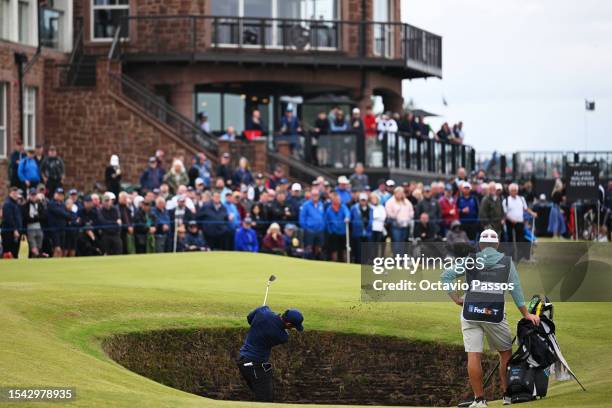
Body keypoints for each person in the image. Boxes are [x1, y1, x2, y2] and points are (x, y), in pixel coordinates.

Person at [440, 229, 541, 407]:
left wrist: (456, 299)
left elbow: (446, 276)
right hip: (494, 314)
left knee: (474, 355)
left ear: (480, 244)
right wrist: (526, 314)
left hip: (470, 312)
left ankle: (479, 400)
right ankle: (507, 395)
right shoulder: (506, 262)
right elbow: (515, 290)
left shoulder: (470, 259)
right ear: (497, 244)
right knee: (505, 353)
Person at [237, 306, 304, 402]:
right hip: (253, 364)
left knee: (264, 394)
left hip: (246, 360)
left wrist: (261, 314)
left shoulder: (263, 311)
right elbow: (279, 328)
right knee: (265, 399)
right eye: (293, 327)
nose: (292, 329)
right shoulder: (282, 336)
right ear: (288, 324)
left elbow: (249, 319)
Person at [503, 183, 537, 260]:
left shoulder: (521, 199)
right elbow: (505, 214)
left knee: (520, 239)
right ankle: (510, 257)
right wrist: (511, 220)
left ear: (517, 191)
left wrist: (532, 213)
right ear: (509, 191)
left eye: (515, 190)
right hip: (510, 222)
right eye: (512, 191)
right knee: (510, 239)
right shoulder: (506, 200)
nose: (514, 192)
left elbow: (526, 208)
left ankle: (520, 256)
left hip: (520, 222)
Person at [385, 186, 414, 254]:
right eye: (398, 193)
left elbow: (411, 211)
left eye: (401, 193)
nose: (400, 195)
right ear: (395, 193)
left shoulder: (406, 201)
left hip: (406, 224)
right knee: (397, 242)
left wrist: (409, 218)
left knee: (403, 242)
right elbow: (389, 213)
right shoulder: (390, 201)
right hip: (395, 225)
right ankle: (396, 258)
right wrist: (396, 216)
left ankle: (402, 258)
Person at [299, 188, 325, 260]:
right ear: (311, 195)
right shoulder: (306, 205)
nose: (315, 196)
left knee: (318, 248)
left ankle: (317, 261)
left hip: (319, 230)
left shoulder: (321, 204)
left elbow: (323, 216)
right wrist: (306, 227)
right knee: (308, 248)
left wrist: (322, 226)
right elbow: (302, 217)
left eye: (316, 195)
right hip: (309, 230)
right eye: (313, 195)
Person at [46, 188, 73, 258]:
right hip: (54, 229)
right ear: (55, 194)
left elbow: (69, 216)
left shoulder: (63, 204)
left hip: (62, 229)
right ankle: (54, 263)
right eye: (58, 194)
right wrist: (67, 213)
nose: (60, 196)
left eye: (61, 194)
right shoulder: (51, 203)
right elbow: (61, 213)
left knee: (62, 249)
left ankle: (59, 263)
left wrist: (68, 213)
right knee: (57, 248)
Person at [324, 192, 350, 262]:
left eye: (338, 199)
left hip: (343, 232)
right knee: (334, 250)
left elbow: (347, 213)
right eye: (336, 199)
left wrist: (347, 217)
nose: (338, 200)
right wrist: (330, 231)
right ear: (333, 200)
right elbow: (326, 221)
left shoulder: (343, 207)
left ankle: (344, 263)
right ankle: (334, 263)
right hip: (334, 233)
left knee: (343, 249)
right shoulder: (329, 209)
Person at [350, 192, 373, 263]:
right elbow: (351, 218)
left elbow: (371, 219)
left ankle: (365, 262)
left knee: (366, 249)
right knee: (358, 249)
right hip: (357, 232)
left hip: (368, 232)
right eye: (362, 200)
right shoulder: (354, 208)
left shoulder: (370, 208)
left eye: (364, 200)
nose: (363, 202)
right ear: (359, 200)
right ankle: (358, 262)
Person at [23, 188, 46, 257]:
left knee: (39, 246)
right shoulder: (26, 205)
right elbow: (26, 218)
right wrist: (36, 218)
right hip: (30, 228)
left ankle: (37, 259)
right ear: (29, 195)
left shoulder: (39, 205)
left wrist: (34, 217)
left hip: (39, 227)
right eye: (32, 195)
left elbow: (43, 217)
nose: (33, 196)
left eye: (34, 195)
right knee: (33, 247)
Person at [1, 187, 23, 259]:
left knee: (15, 252)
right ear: (10, 193)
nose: (16, 195)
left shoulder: (16, 204)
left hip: (16, 231)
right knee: (8, 252)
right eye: (14, 193)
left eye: (17, 193)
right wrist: (14, 229)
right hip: (9, 232)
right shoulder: (8, 204)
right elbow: (8, 219)